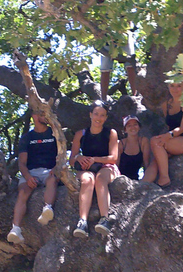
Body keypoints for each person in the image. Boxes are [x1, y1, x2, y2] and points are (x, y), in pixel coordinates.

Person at [69, 100, 119, 238]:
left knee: (100, 179)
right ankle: (82, 222)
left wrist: (94, 159)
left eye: (102, 115)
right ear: (90, 114)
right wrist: (79, 157)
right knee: (88, 180)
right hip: (87, 169)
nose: (99, 118)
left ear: (106, 117)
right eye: (96, 114)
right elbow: (71, 160)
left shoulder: (111, 133)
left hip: (106, 166)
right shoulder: (80, 134)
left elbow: (113, 158)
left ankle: (104, 219)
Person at [7, 113, 59, 244]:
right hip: (31, 172)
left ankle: (47, 209)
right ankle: (16, 229)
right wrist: (28, 177)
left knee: (52, 180)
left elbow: (62, 156)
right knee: (23, 192)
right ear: (34, 116)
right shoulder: (27, 138)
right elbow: (21, 163)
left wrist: (56, 169)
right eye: (41, 113)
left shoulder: (55, 134)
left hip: (50, 171)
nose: (45, 116)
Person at [144, 80, 183, 188]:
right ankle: (141, 185)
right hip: (172, 139)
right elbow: (169, 125)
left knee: (156, 141)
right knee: (155, 161)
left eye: (179, 86)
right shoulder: (166, 105)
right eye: (172, 86)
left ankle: (164, 178)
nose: (175, 89)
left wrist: (168, 136)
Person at [99, 30, 138, 99]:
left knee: (131, 64)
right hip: (106, 34)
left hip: (124, 33)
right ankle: (103, 99)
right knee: (105, 69)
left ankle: (136, 95)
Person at [116, 115, 150, 180]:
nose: (133, 127)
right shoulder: (120, 144)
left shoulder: (143, 141)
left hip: (137, 179)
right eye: (129, 126)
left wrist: (146, 180)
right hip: (121, 179)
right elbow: (116, 166)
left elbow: (146, 163)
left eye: (135, 124)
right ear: (125, 130)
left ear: (139, 127)